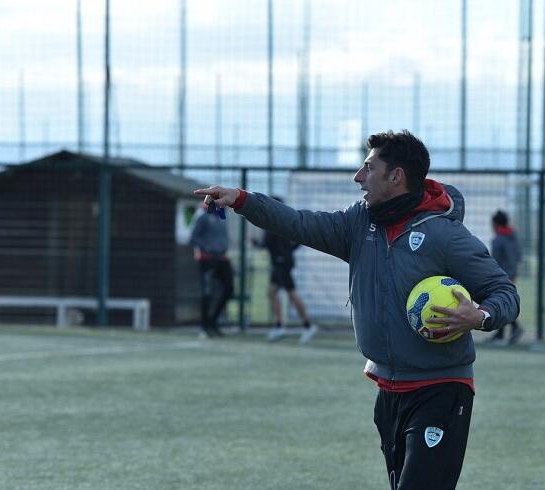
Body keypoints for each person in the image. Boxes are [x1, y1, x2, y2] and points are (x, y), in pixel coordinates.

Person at [195, 130, 519, 489]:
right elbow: (299, 222)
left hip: (441, 390)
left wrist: (481, 315)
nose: (358, 177)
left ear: (396, 176)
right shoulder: (359, 223)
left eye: (368, 168)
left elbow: (503, 291)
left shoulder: (445, 235)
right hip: (389, 392)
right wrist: (241, 199)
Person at [251, 197, 318, 345]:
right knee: (272, 292)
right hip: (282, 261)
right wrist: (289, 251)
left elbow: (265, 244)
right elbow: (298, 239)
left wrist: (254, 242)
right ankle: (279, 325)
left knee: (291, 293)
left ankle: (308, 325)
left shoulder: (271, 220)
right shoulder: (283, 219)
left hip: (281, 262)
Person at [190, 201, 234, 337]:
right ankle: (204, 327)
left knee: (229, 289)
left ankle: (213, 322)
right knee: (207, 292)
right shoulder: (203, 216)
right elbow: (194, 238)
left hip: (222, 258)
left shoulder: (221, 215)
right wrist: (207, 248)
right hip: (207, 259)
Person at [486, 210, 524, 345]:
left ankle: (515, 328)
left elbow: (494, 261)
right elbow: (519, 256)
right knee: (505, 300)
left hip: (501, 275)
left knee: (502, 302)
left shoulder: (498, 240)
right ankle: (500, 333)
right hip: (512, 273)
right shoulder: (513, 236)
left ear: (496, 224)